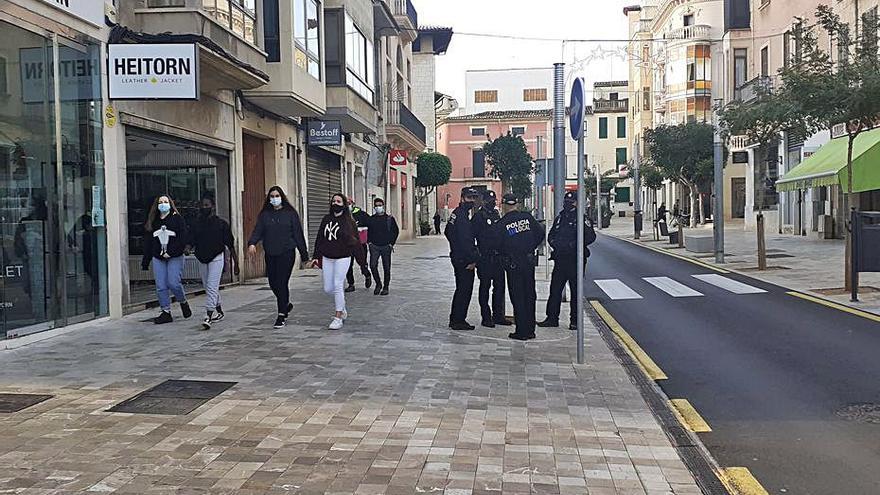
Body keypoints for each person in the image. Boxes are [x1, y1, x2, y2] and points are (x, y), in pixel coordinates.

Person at [247, 186, 309, 329]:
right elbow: (258, 230)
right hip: (271, 252)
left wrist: (304, 256)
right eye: (272, 196)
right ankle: (286, 304)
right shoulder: (265, 215)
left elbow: (298, 235)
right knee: (273, 283)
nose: (274, 198)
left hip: (286, 252)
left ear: (282, 196)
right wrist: (252, 243)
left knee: (281, 282)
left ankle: (281, 315)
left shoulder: (290, 214)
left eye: (277, 195)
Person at [538, 190, 596, 331]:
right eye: (566, 202)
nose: (567, 204)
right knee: (555, 290)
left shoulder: (582, 219)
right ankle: (552, 318)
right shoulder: (560, 218)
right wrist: (554, 243)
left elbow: (591, 237)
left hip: (575, 260)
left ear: (576, 203)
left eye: (570, 202)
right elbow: (551, 235)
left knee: (576, 292)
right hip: (560, 259)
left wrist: (574, 245)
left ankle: (574, 321)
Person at [312, 193, 366, 330]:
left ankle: (338, 317)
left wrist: (362, 264)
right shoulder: (326, 219)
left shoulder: (349, 222)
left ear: (344, 204)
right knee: (328, 288)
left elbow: (356, 244)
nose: (335, 203)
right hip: (327, 257)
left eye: (339, 201)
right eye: (333, 201)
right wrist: (316, 256)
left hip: (343, 257)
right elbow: (320, 238)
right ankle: (341, 307)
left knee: (337, 285)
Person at [495, 193, 545, 341]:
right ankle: (530, 330)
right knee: (530, 295)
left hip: (513, 263)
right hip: (529, 261)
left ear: (504, 206)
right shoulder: (527, 218)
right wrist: (530, 247)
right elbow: (540, 233)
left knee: (518, 297)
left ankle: (521, 331)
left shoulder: (502, 223)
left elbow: (496, 243)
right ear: (516, 204)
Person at [190, 195, 240, 330]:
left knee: (212, 285)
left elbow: (230, 244)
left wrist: (236, 263)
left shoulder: (221, 224)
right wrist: (187, 248)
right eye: (202, 205)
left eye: (207, 205)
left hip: (217, 257)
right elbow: (191, 240)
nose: (204, 208)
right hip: (201, 257)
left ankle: (208, 315)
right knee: (208, 286)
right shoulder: (196, 224)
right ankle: (219, 310)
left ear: (213, 206)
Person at [141, 195, 192, 324]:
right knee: (161, 286)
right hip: (158, 257)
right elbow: (149, 242)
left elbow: (182, 238)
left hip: (174, 256)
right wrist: (146, 261)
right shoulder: (154, 221)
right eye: (160, 202)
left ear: (170, 203)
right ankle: (165, 311)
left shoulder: (177, 219)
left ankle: (183, 301)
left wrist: (172, 252)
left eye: (165, 202)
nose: (163, 204)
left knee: (173, 282)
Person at [471, 190, 511, 328]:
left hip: (498, 258)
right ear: (483, 201)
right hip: (485, 258)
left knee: (499, 288)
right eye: (489, 200)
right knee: (485, 288)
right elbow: (472, 238)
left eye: (493, 200)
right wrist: (476, 256)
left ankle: (498, 315)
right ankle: (486, 316)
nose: (492, 202)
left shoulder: (496, 214)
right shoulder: (478, 217)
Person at [445, 187, 481, 330]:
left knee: (461, 289)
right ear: (462, 198)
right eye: (468, 198)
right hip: (464, 260)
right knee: (464, 290)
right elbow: (466, 240)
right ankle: (458, 320)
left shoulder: (458, 214)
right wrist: (471, 259)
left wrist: (455, 248)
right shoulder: (461, 217)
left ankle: (456, 318)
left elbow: (448, 231)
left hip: (457, 256)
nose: (471, 201)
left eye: (473, 198)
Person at [366, 198, 399, 295]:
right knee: (372, 265)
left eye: (380, 205)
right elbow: (368, 231)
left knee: (386, 267)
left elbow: (395, 231)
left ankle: (386, 287)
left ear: (383, 206)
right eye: (376, 205)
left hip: (386, 246)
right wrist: (369, 243)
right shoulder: (371, 219)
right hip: (374, 246)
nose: (378, 207)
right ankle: (378, 284)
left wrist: (391, 244)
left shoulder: (389, 219)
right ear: (374, 207)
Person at [345, 199, 372, 293]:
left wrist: (369, 239)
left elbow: (371, 226)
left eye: (348, 204)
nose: (347, 206)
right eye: (345, 204)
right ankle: (351, 284)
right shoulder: (343, 216)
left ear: (353, 204)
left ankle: (367, 275)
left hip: (360, 244)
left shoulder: (362, 215)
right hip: (347, 245)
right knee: (348, 265)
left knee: (362, 263)